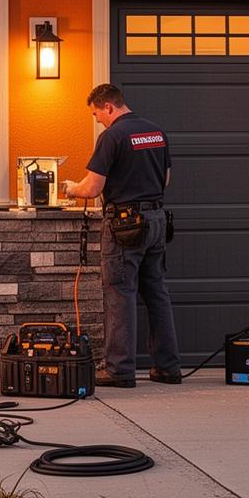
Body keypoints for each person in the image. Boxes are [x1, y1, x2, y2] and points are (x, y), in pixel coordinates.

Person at [62, 84, 180, 388]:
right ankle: (168, 368)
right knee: (157, 293)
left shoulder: (112, 136)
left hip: (125, 226)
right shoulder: (156, 132)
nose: (98, 120)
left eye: (96, 114)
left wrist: (72, 189)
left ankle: (119, 370)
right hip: (156, 220)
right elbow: (166, 179)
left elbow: (93, 188)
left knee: (120, 295)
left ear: (108, 107)